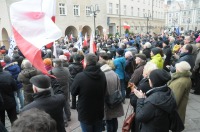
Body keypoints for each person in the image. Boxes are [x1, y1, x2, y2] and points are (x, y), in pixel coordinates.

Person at [71, 53, 107, 132]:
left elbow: (73, 92)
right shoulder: (102, 74)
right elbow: (104, 90)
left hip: (85, 112)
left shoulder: (80, 76)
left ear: (86, 62)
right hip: (98, 110)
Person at [129, 62, 157, 132]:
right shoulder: (156, 82)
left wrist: (133, 92)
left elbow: (133, 101)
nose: (143, 70)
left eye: (144, 69)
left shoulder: (144, 85)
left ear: (147, 72)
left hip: (142, 112)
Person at [99, 54, 124, 132]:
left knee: (109, 121)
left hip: (108, 101)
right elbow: (119, 87)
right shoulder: (114, 73)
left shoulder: (103, 75)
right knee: (114, 119)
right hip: (116, 99)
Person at [50, 58, 71, 125]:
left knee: (59, 104)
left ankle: (64, 120)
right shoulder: (67, 69)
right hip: (66, 88)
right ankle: (68, 116)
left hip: (57, 89)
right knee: (66, 102)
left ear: (55, 64)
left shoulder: (52, 71)